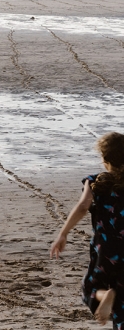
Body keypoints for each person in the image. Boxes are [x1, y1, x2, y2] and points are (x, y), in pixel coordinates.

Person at [50, 132, 124, 327]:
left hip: (106, 249)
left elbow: (83, 207)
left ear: (105, 159)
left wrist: (63, 233)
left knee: (90, 288)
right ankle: (114, 296)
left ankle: (105, 294)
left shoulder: (96, 182)